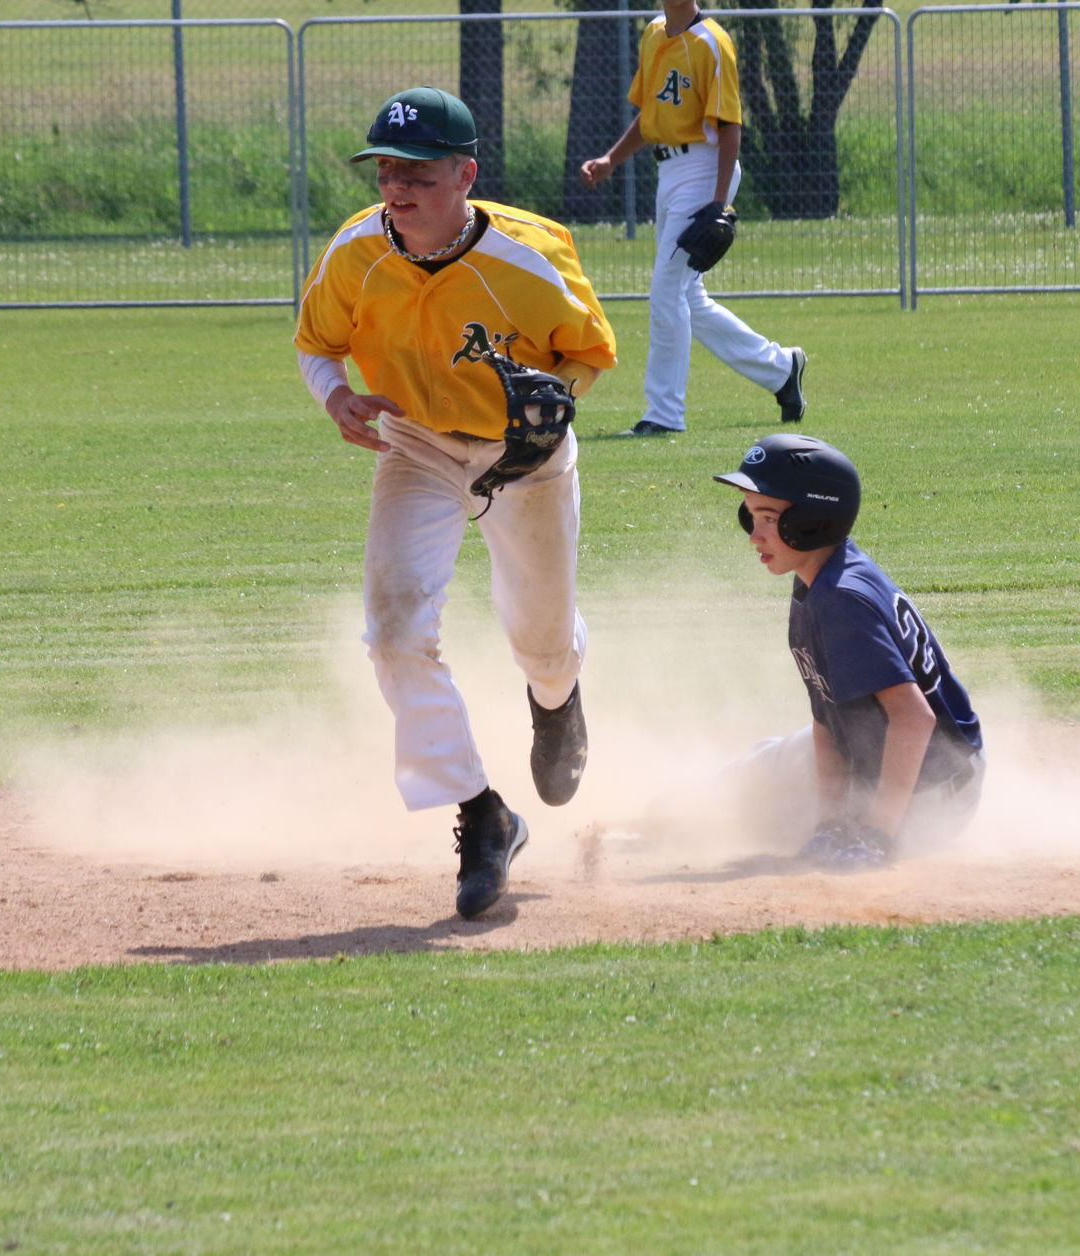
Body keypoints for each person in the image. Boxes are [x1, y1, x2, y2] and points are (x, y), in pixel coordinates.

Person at [295, 87, 617, 919]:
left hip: (524, 458)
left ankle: (556, 700)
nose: (397, 187)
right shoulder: (356, 251)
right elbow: (316, 345)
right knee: (394, 632)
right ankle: (482, 814)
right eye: (386, 171)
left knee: (542, 641)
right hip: (417, 446)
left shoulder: (530, 255)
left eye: (419, 172)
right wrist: (336, 397)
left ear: (464, 175)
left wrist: (555, 405)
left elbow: (588, 353)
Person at [714, 435, 984, 868]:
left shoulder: (841, 598)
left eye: (768, 518)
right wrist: (830, 824)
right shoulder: (821, 578)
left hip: (934, 795)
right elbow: (829, 719)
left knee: (765, 810)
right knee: (759, 774)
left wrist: (877, 835)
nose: (754, 536)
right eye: (751, 517)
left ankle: (658, 822)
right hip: (906, 772)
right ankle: (655, 822)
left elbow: (914, 718)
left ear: (813, 519)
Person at [579, 0, 806, 438]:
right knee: (689, 297)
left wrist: (719, 202)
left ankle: (664, 414)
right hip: (668, 171)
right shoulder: (653, 33)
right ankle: (782, 369)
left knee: (666, 292)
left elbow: (730, 125)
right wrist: (611, 160)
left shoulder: (711, 42)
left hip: (705, 166)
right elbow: (652, 114)